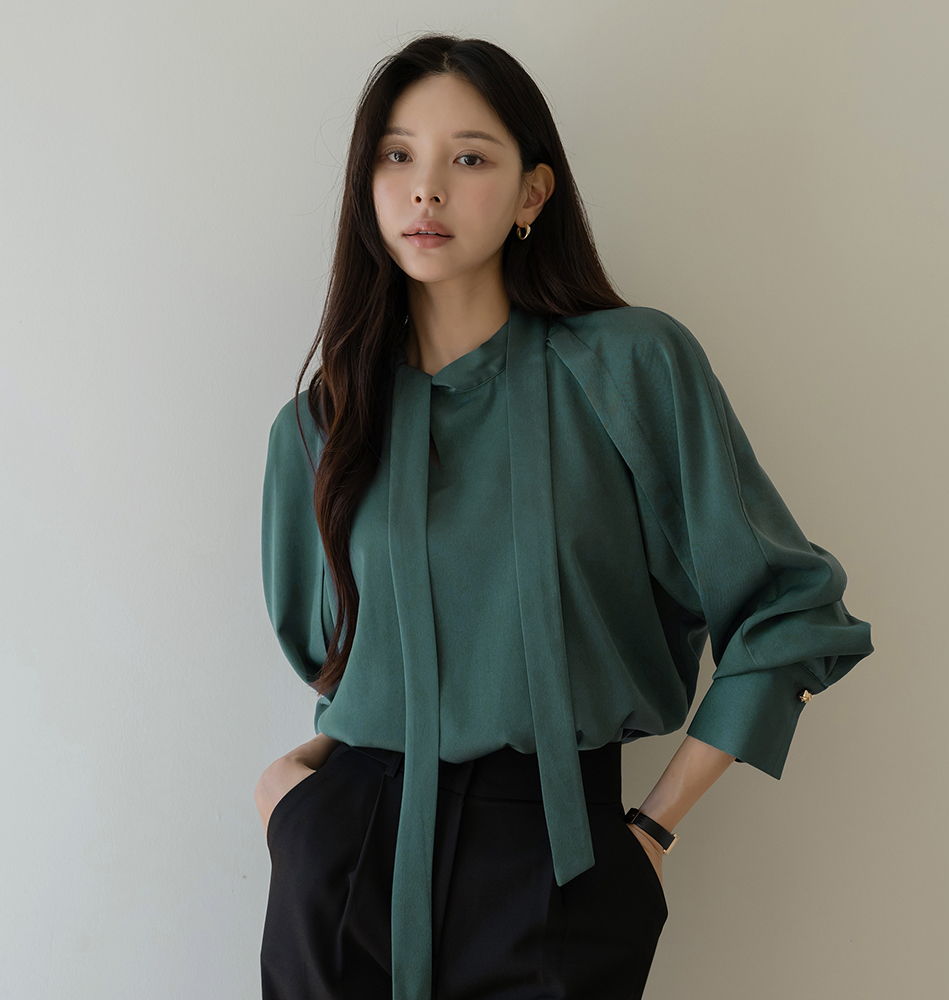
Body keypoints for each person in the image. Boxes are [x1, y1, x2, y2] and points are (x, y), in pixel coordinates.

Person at [253, 33, 874, 1000]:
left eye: (469, 158)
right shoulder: (320, 426)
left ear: (532, 194)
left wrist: (653, 831)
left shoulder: (631, 370)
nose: (426, 190)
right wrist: (291, 801)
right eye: (397, 155)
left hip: (559, 862)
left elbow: (791, 609)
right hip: (345, 858)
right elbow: (342, 661)